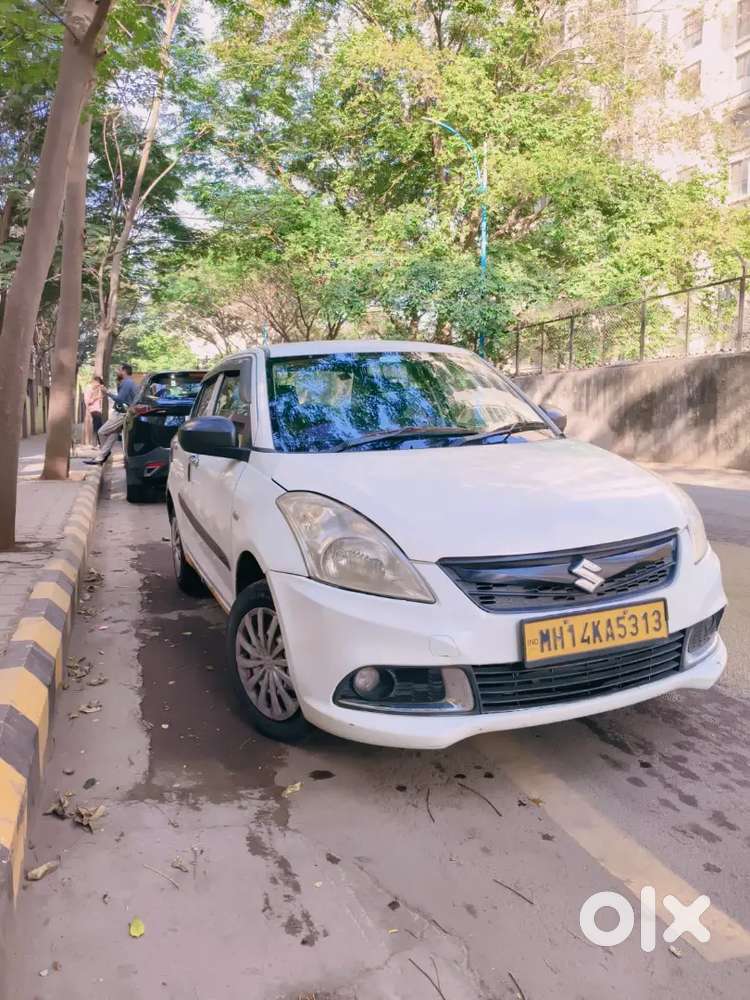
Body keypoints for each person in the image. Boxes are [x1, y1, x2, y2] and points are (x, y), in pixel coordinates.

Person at [84, 363, 139, 465]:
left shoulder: (127, 383)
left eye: (118, 370)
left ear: (124, 371)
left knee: (101, 431)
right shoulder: (127, 382)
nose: (116, 372)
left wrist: (107, 392)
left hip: (122, 413)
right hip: (124, 413)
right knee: (113, 435)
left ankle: (104, 453)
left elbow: (120, 399)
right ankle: (101, 456)